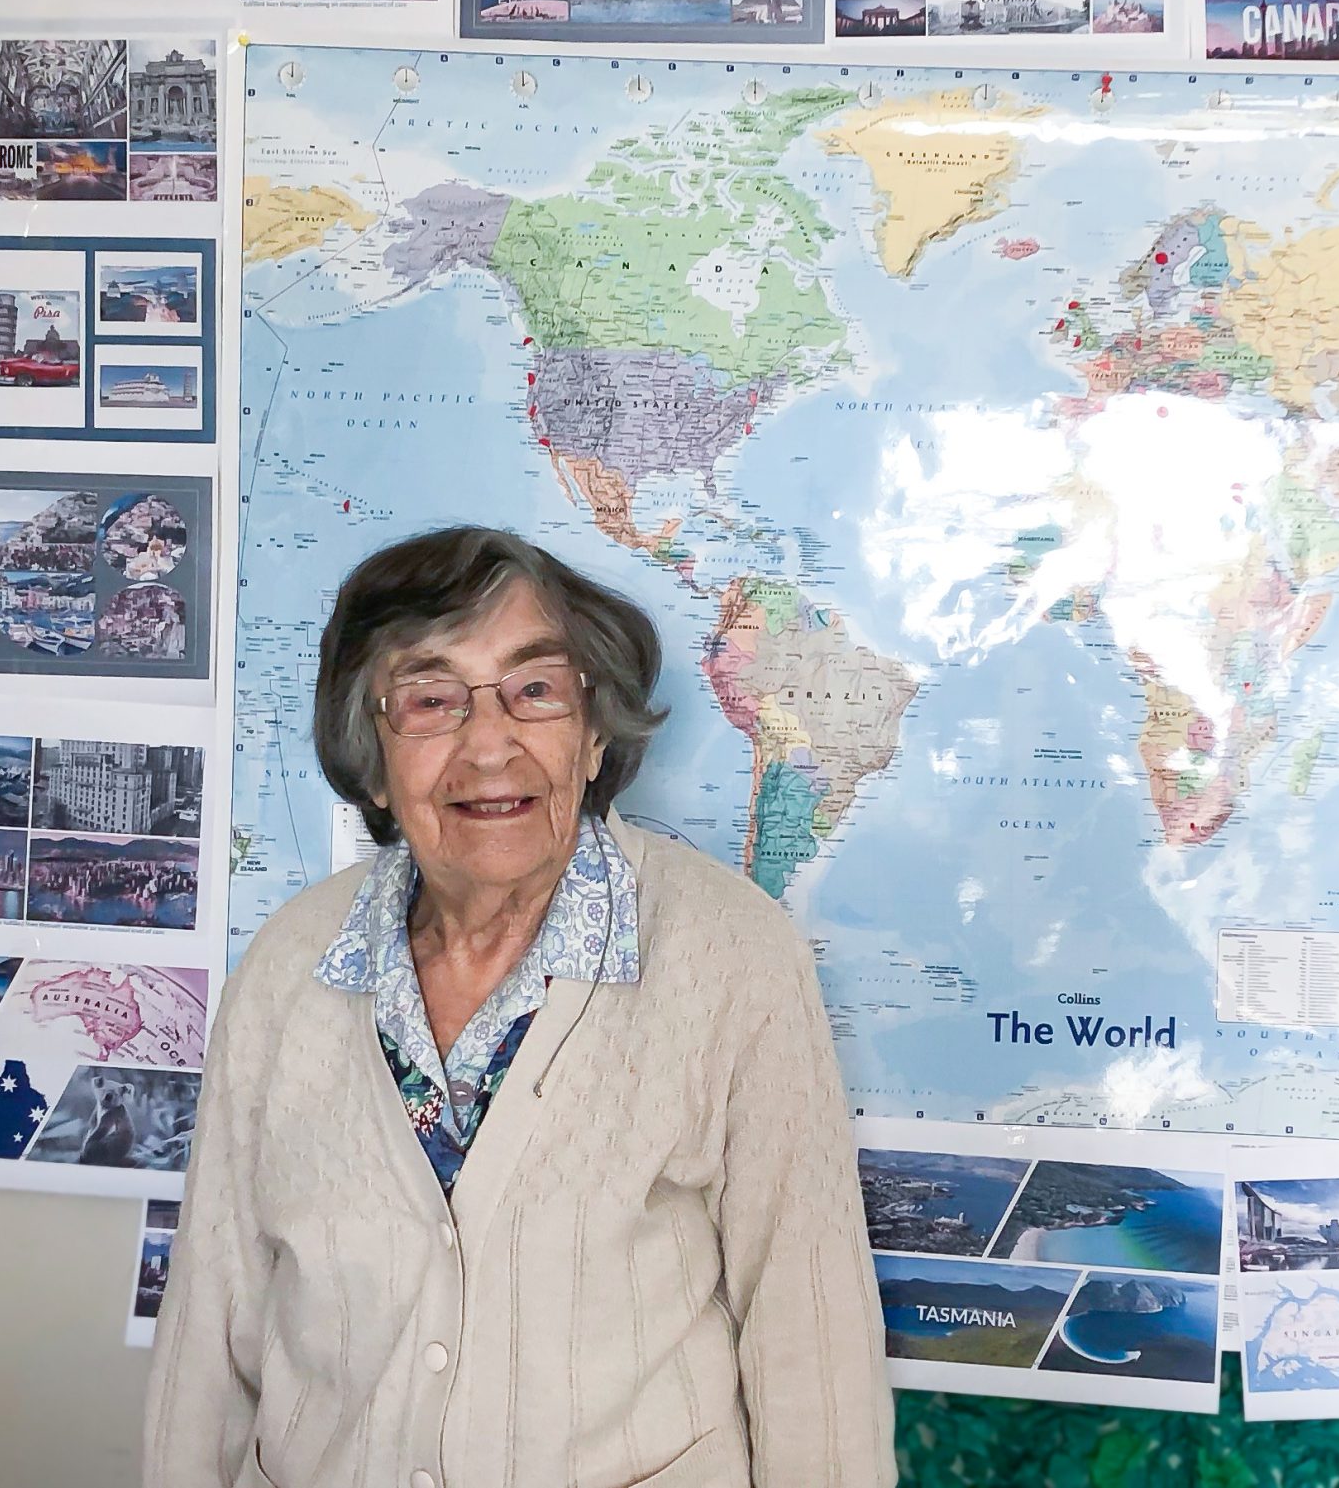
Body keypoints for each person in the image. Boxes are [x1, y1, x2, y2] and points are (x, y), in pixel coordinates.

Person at [145, 527, 893, 1488]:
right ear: (372, 760)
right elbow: (209, 1331)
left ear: (591, 736)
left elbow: (811, 1335)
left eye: (535, 690)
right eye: (430, 699)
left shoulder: (733, 956)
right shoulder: (291, 965)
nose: (488, 745)